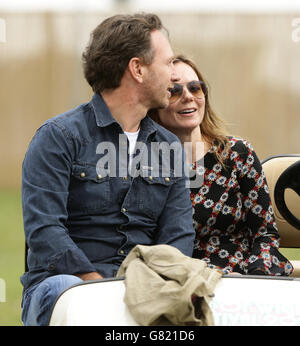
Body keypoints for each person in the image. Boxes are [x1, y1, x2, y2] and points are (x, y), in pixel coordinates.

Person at [21, 14, 196, 326]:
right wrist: (98, 287)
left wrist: (147, 289)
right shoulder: (58, 138)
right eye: (168, 63)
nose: (174, 75)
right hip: (67, 284)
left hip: (144, 286)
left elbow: (178, 238)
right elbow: (45, 232)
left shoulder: (170, 148)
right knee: (72, 294)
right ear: (137, 69)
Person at [149, 55, 293, 276]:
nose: (188, 97)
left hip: (240, 277)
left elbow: (265, 235)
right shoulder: (145, 164)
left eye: (195, 88)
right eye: (174, 91)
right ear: (156, 104)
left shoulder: (237, 154)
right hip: (178, 282)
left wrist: (252, 277)